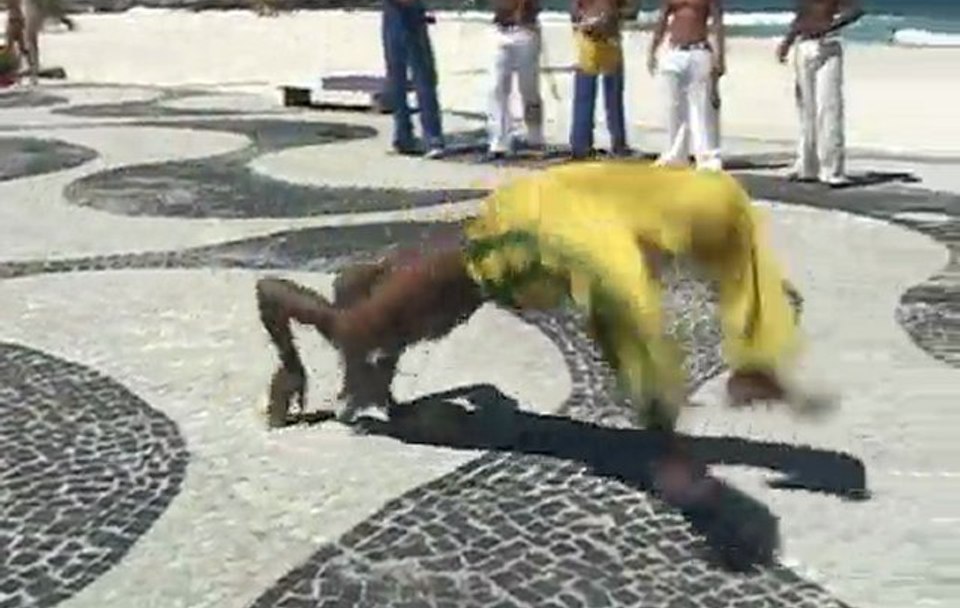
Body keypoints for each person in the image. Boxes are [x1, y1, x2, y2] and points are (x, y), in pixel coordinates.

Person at [256, 162, 802, 497]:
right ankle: (358, 386)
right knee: (365, 341)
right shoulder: (382, 318)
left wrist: (315, 370)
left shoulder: (388, 313)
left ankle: (364, 386)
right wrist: (297, 365)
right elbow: (272, 291)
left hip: (499, 249)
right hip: (488, 252)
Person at [777, 0, 864, 186]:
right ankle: (807, 166)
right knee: (806, 107)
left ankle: (832, 169)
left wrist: (830, 26)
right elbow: (801, 14)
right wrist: (787, 40)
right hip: (804, 44)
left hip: (827, 45)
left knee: (829, 107)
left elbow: (855, 9)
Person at [465, 0, 556, 159]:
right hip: (501, 29)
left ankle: (535, 136)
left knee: (529, 88)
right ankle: (499, 140)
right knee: (496, 87)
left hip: (526, 29)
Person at [372, 0, 446, 159]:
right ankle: (403, 135)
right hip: (393, 15)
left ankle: (433, 136)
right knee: (397, 78)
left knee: (424, 77)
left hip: (414, 13)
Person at [648, 0, 725, 171]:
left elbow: (718, 24)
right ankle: (676, 154)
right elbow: (662, 20)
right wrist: (652, 49)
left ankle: (707, 156)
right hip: (675, 51)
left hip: (699, 50)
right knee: (674, 106)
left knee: (702, 107)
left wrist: (720, 57)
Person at [569, 0, 638, 159]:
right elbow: (574, 10)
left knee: (614, 96)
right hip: (589, 41)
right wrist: (586, 21)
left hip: (611, 41)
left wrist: (613, 16)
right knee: (584, 94)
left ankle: (618, 144)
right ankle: (580, 145)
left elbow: (633, 10)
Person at [0, 0, 28, 87]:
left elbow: (9, 2)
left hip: (14, 19)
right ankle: (30, 65)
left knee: (10, 46)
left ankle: (11, 70)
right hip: (17, 19)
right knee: (20, 47)